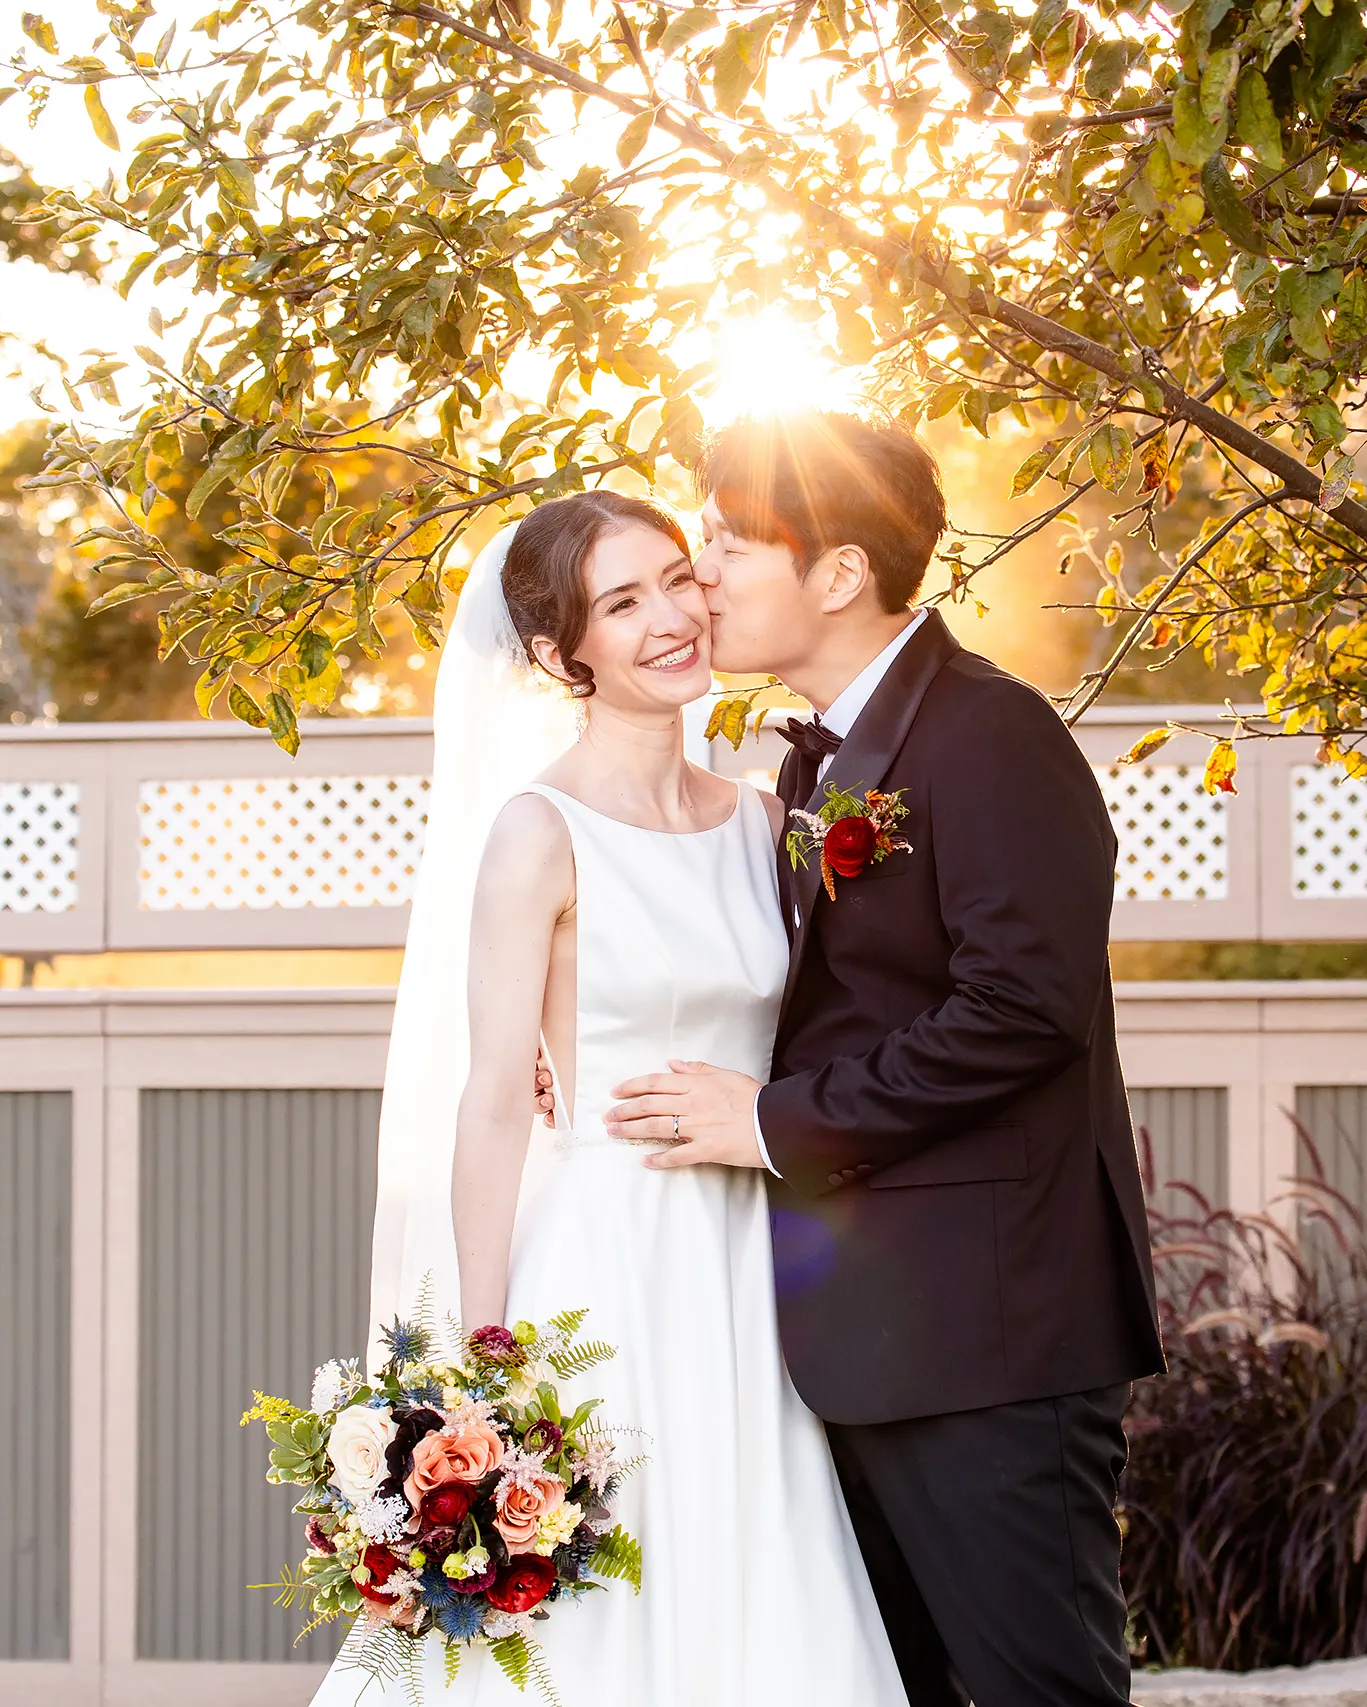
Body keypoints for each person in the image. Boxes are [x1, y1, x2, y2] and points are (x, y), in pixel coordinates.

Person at [600, 412, 1166, 1707]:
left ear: (841, 571)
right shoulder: (815, 763)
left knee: (1041, 1690)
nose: (702, 574)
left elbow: (1025, 1007)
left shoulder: (990, 735)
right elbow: (805, 997)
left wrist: (769, 1121)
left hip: (992, 1337)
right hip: (850, 1336)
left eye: (732, 545)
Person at [308, 490, 906, 1706]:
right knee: (602, 1609)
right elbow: (487, 1094)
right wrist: (484, 1352)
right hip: (604, 1268)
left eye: (677, 580)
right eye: (619, 604)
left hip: (758, 1264)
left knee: (761, 1576)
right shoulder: (538, 830)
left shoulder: (767, 821)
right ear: (555, 655)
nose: (670, 617)